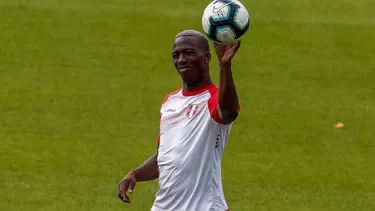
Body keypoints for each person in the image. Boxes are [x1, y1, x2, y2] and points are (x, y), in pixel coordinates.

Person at [117, 29, 241, 211]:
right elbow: (165, 157)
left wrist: (225, 65)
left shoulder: (214, 100)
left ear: (207, 57)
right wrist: (135, 174)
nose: (181, 59)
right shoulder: (169, 102)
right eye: (176, 55)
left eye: (189, 53)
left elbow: (229, 112)